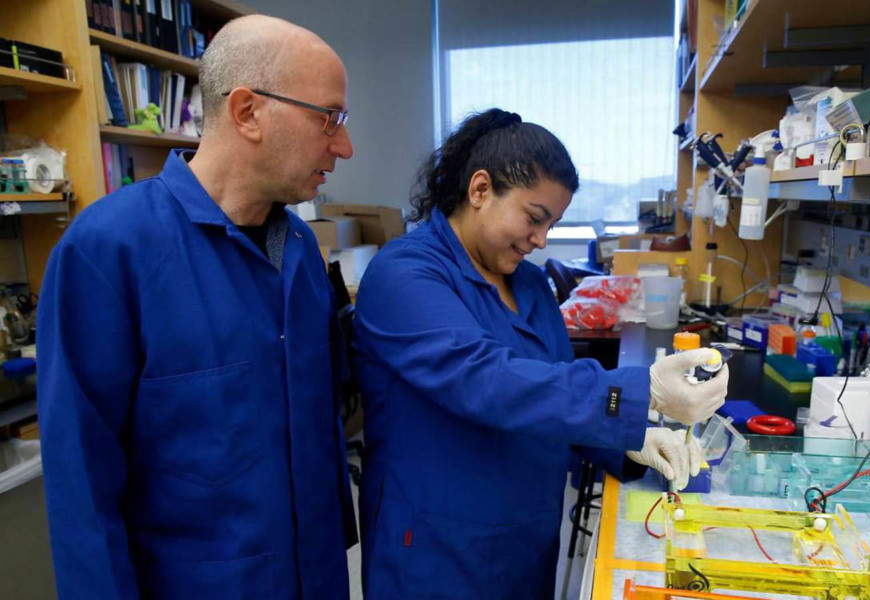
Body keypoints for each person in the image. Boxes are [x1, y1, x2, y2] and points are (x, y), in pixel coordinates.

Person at [37, 16, 357, 599]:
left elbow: (322, 422)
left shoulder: (302, 248)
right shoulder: (107, 251)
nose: (344, 145)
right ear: (247, 112)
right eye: (328, 118)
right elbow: (82, 488)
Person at [352, 109, 728, 599]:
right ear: (480, 190)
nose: (542, 240)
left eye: (552, 223)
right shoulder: (403, 275)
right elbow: (488, 381)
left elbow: (556, 383)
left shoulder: (528, 283)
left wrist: (631, 442)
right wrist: (643, 392)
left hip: (525, 537)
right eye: (534, 218)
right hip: (437, 547)